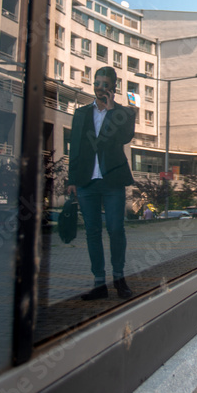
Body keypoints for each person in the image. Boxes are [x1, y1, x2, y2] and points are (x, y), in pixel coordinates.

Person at [67, 66, 136, 300]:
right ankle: (99, 283)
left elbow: (124, 137)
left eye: (105, 84)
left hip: (112, 181)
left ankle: (119, 278)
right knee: (92, 232)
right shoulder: (81, 114)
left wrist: (111, 110)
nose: (100, 88)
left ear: (113, 88)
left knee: (116, 230)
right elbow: (75, 147)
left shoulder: (124, 113)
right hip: (87, 181)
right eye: (97, 83)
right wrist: (71, 179)